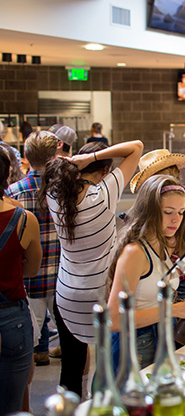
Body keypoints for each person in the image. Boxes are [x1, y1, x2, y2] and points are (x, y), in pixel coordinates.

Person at [38, 139, 143, 397]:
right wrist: (93, 156)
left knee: (70, 370)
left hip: (66, 295)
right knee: (108, 369)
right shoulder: (105, 193)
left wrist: (83, 160)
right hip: (100, 296)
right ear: (105, 172)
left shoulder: (55, 196)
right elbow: (136, 147)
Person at [107, 175, 185, 371]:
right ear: (150, 212)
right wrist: (175, 310)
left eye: (181, 212)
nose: (176, 220)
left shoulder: (163, 245)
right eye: (168, 212)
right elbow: (113, 319)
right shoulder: (134, 253)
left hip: (159, 337)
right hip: (135, 344)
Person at [6, 131, 60, 368]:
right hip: (61, 277)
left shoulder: (13, 192)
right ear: (54, 156)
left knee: (27, 341)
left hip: (28, 279)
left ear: (26, 156)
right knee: (73, 339)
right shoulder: (65, 191)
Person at [0, 147, 42, 416]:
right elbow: (32, 269)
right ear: (8, 175)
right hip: (11, 316)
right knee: (13, 405)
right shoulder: (24, 219)